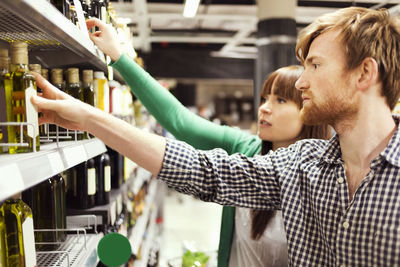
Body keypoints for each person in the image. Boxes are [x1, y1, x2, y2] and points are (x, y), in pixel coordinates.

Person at [31, 6, 400, 266]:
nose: (303, 81)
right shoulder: (302, 164)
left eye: (316, 66)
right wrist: (93, 118)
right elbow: (201, 169)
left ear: (364, 73)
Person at [84, 17, 330, 267]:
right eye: (264, 98)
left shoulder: (325, 180)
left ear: (308, 109)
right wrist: (119, 56)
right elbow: (179, 120)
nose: (264, 109)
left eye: (280, 101)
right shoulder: (245, 148)